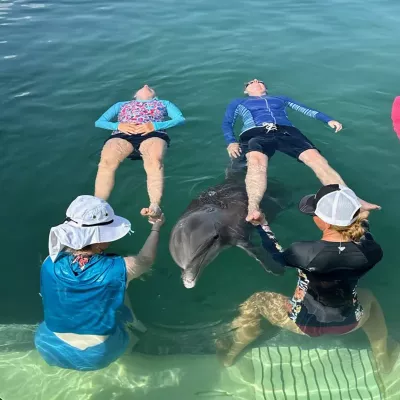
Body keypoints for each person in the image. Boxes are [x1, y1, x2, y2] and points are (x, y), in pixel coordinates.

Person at [216, 184, 399, 374]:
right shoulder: (372, 252)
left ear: (322, 221)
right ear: (355, 218)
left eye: (314, 214)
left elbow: (275, 255)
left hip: (303, 323)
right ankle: (381, 358)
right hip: (351, 323)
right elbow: (364, 234)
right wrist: (362, 220)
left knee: (258, 300)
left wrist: (262, 224)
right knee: (368, 297)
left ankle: (231, 353)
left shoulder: (303, 252)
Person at [34, 195, 165, 371]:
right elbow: (145, 259)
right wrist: (156, 227)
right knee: (120, 285)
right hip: (96, 355)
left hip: (48, 346)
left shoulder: (49, 263)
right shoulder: (118, 269)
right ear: (101, 239)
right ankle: (135, 331)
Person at [221, 79, 380, 223]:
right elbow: (228, 122)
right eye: (251, 82)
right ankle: (253, 208)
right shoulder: (239, 102)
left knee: (318, 161)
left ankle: (354, 201)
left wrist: (328, 119)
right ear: (246, 90)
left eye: (260, 81)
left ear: (266, 88)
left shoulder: (280, 99)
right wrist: (231, 141)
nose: (256, 81)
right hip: (255, 131)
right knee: (256, 162)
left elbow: (306, 109)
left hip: (287, 131)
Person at [94, 84, 185, 221]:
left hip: (153, 134)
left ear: (155, 96)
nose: (146, 85)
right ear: (135, 96)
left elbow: (180, 119)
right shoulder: (121, 105)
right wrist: (118, 125)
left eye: (150, 88)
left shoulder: (163, 103)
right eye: (142, 86)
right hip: (121, 134)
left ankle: (154, 207)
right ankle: (97, 206)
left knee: (155, 162)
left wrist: (155, 125)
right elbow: (99, 122)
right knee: (106, 162)